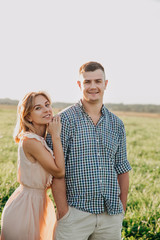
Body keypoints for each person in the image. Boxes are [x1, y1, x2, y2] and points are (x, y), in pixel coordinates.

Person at [46, 61, 132, 240]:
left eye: (98, 81)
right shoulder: (63, 121)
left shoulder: (117, 124)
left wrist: (121, 209)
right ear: (79, 85)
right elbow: (55, 169)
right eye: (87, 82)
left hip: (111, 215)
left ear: (105, 84)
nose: (93, 86)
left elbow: (122, 168)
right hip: (75, 214)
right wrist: (63, 211)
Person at [1, 91, 67, 240]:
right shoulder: (30, 141)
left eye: (47, 105)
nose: (46, 110)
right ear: (28, 116)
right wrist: (56, 135)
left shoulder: (40, 140)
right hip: (25, 207)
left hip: (39, 203)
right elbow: (59, 171)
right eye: (38, 108)